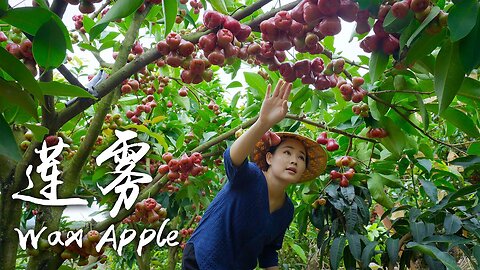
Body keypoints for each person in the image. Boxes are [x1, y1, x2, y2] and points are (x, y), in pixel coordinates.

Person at [182, 80, 327, 270]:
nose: (294, 161)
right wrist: (263, 122)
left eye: (301, 158)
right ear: (269, 158)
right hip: (203, 259)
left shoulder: (287, 210)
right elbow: (232, 158)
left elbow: (268, 251)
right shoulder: (250, 176)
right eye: (287, 152)